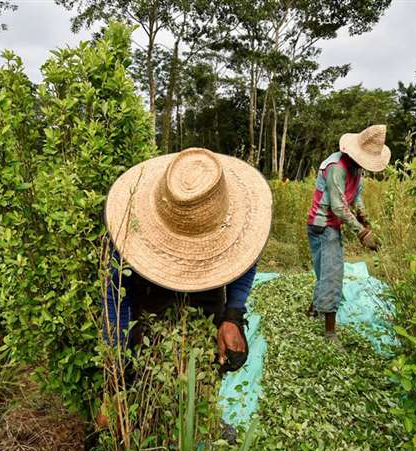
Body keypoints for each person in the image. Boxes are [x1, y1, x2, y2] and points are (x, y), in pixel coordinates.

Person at [104, 147, 273, 373]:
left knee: (201, 375)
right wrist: (118, 361)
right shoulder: (130, 230)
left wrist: (233, 315)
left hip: (207, 303)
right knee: (149, 375)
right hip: (148, 307)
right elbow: (115, 295)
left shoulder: (234, 222)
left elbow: (246, 261)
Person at [306, 124, 390, 342]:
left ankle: (313, 310)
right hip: (322, 225)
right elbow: (339, 207)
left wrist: (363, 215)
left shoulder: (356, 167)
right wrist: (362, 233)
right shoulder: (337, 167)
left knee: (325, 269)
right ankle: (330, 334)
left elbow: (357, 194)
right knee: (332, 274)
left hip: (332, 224)